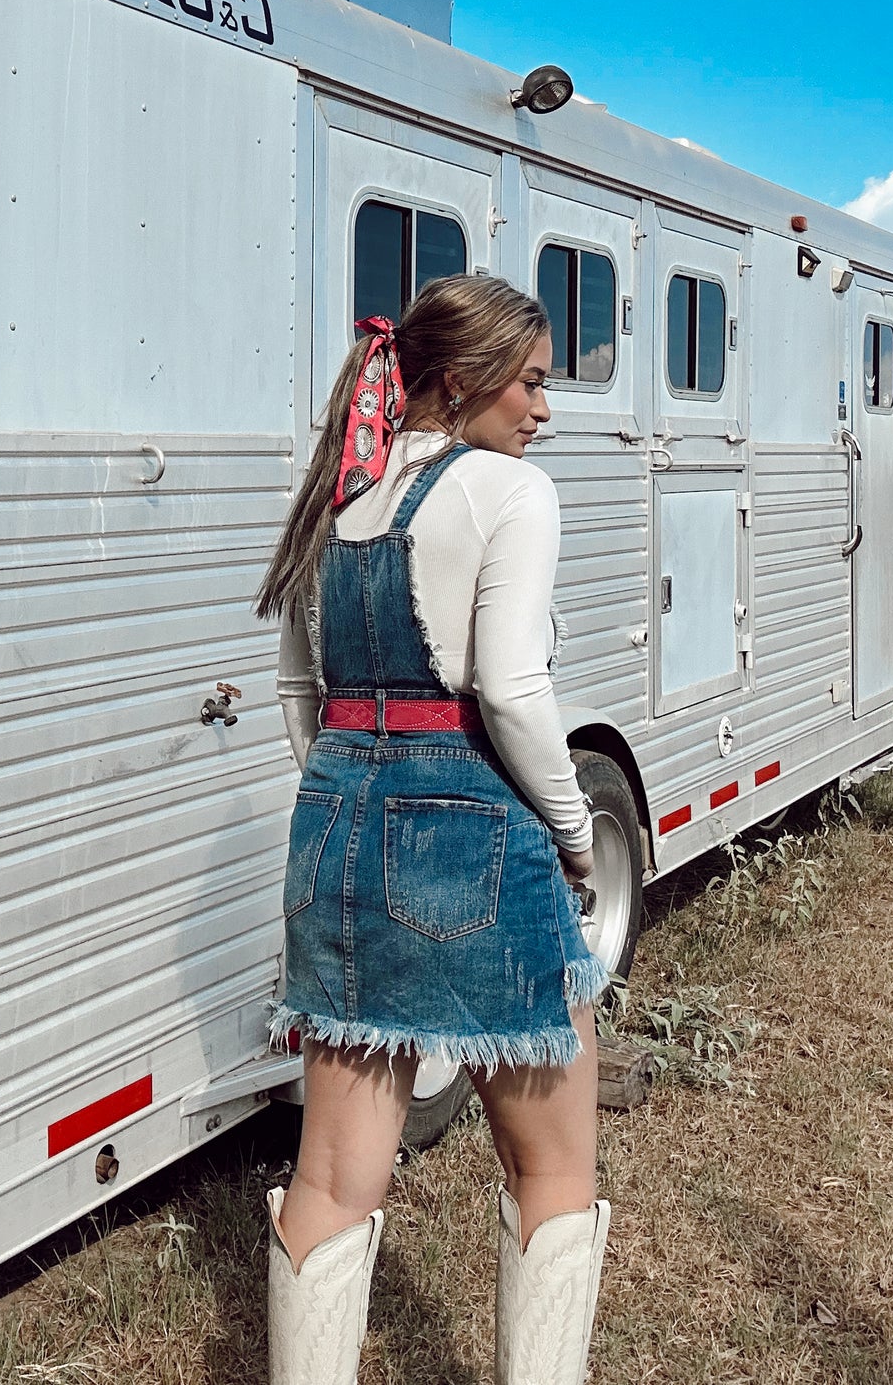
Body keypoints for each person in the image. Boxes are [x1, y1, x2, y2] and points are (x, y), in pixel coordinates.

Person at [256, 273, 612, 1385]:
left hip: (331, 827)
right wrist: (566, 829)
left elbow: (296, 693)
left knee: (328, 1176)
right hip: (473, 836)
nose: (543, 409)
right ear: (461, 383)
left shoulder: (335, 492)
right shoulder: (509, 493)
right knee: (551, 1163)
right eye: (532, 382)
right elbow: (508, 689)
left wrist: (353, 791)